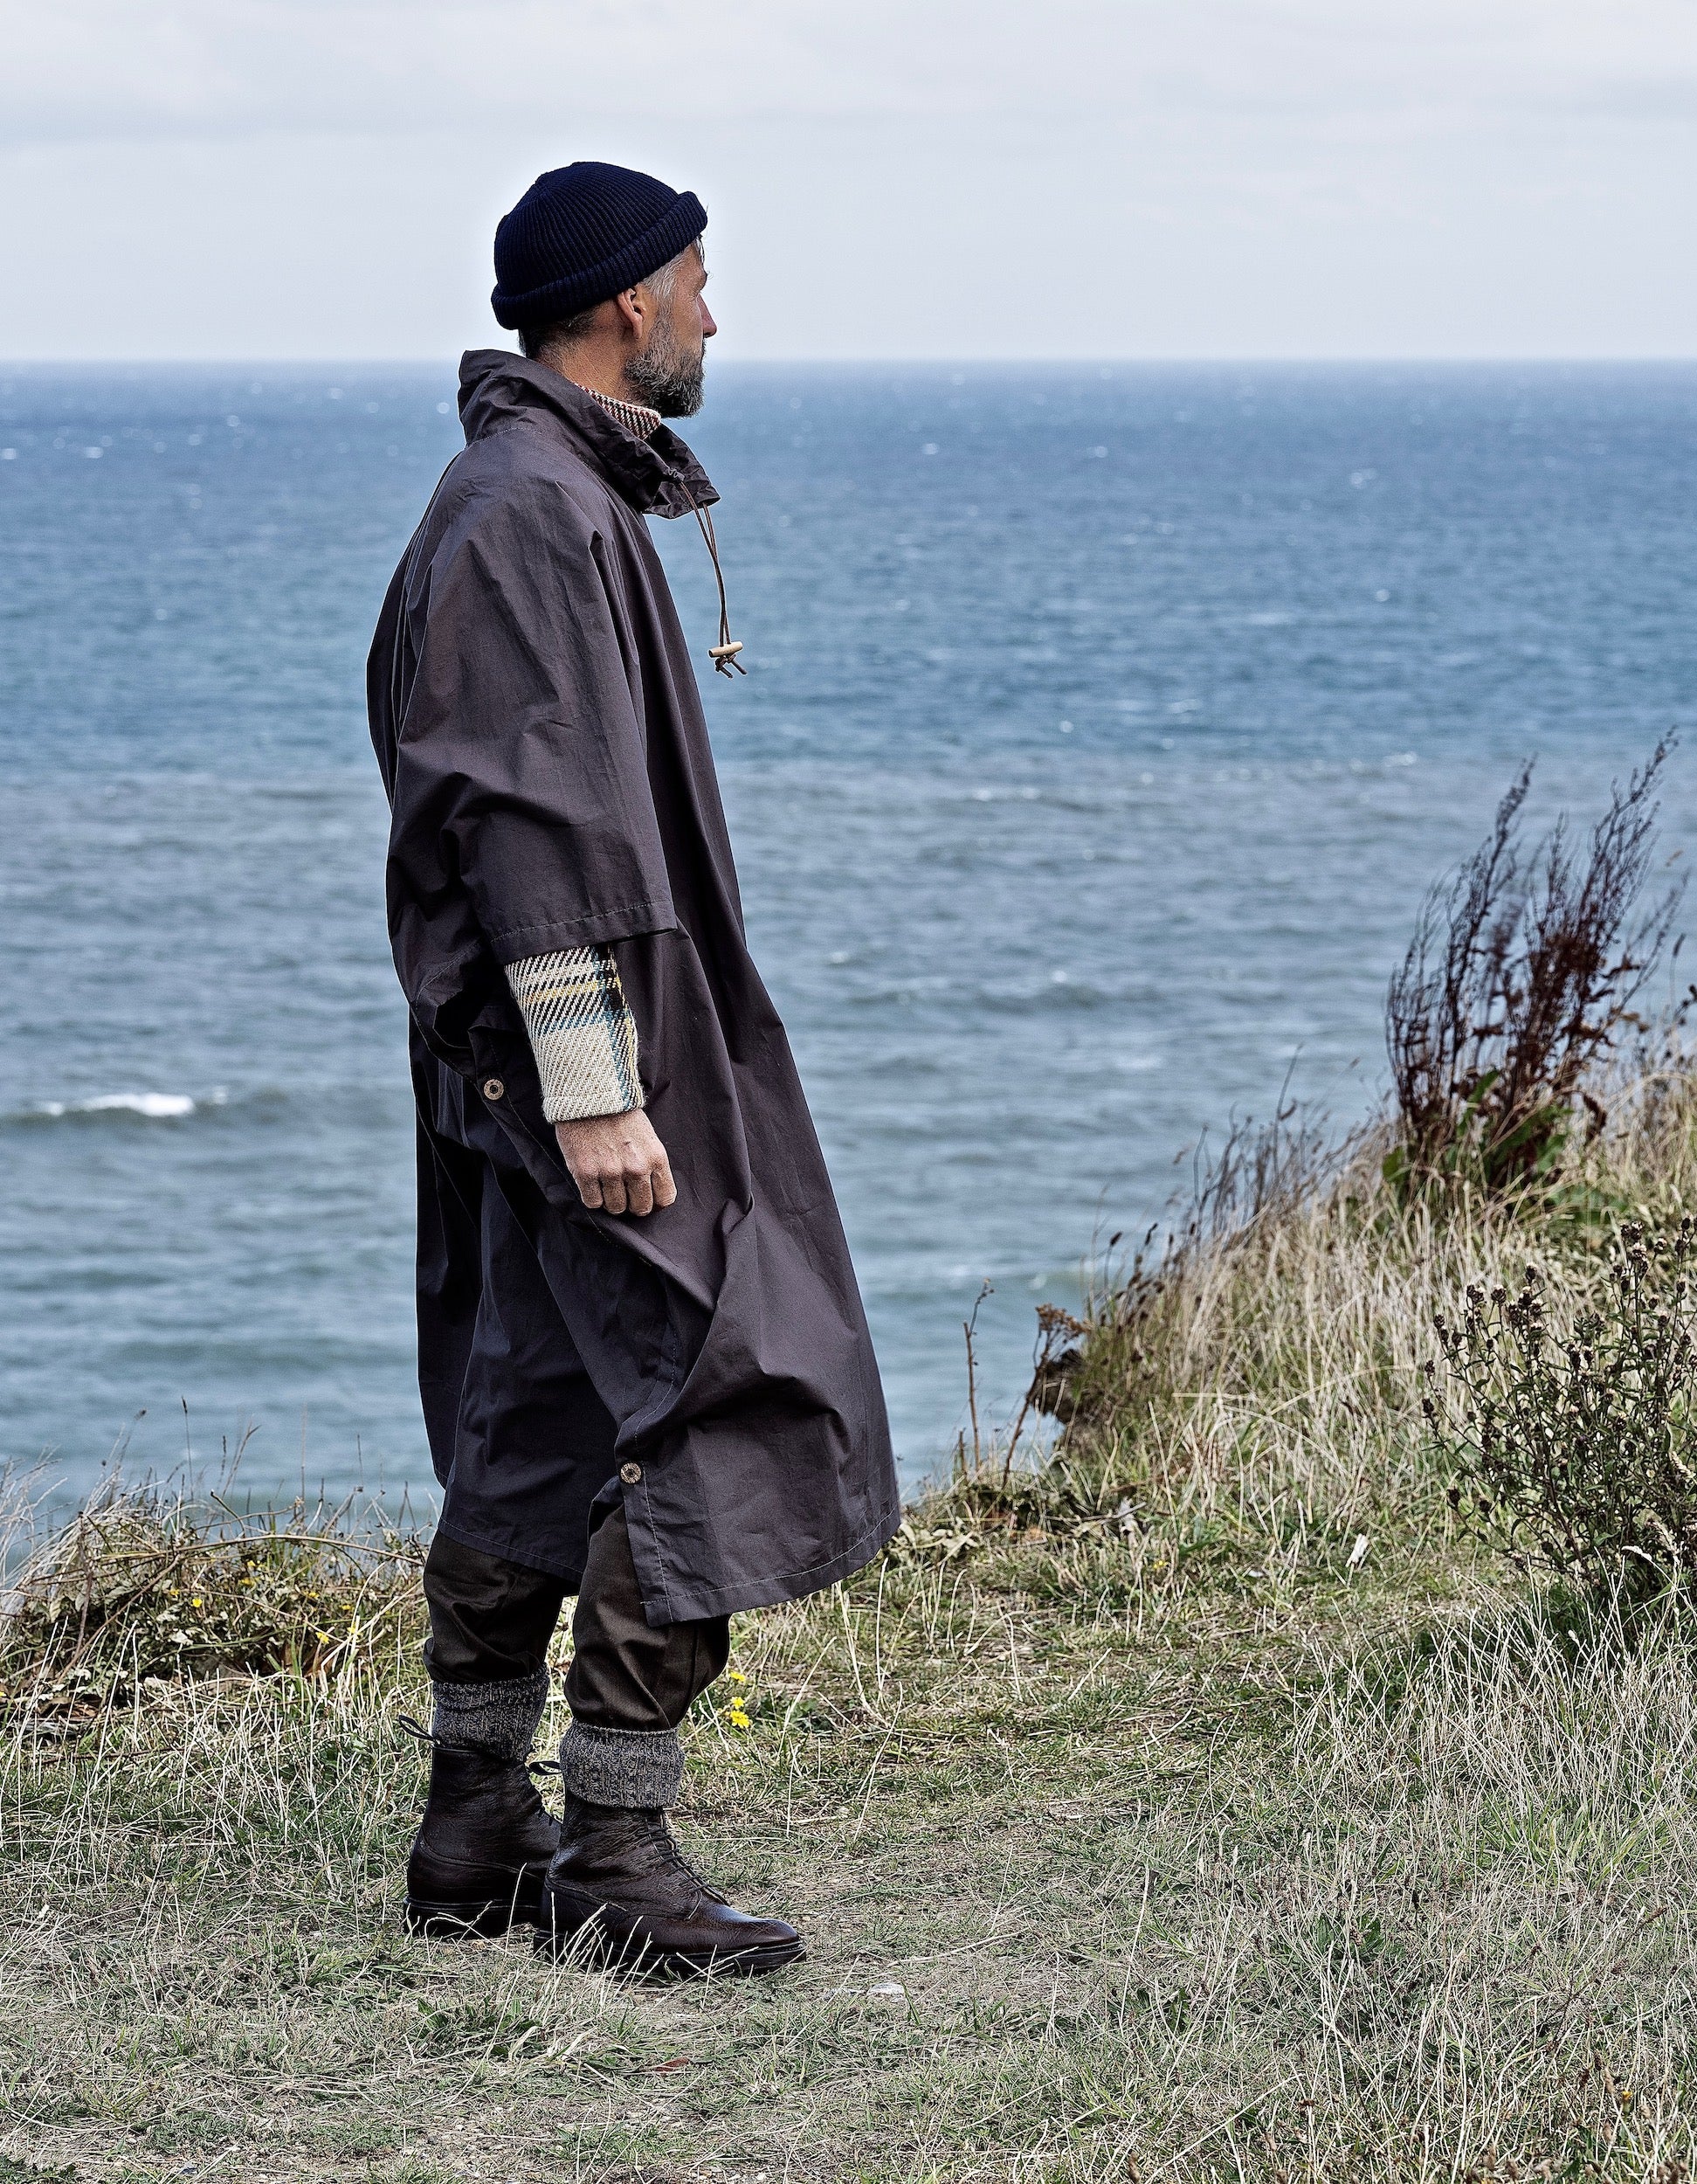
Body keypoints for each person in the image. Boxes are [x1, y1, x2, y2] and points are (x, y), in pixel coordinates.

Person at [365, 161, 899, 1977]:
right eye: (695, 285)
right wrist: (597, 1088)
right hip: (579, 1065)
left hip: (543, 1056)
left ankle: (470, 1826)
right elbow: (521, 814)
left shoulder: (548, 492)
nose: (712, 319)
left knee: (538, 1401)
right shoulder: (527, 512)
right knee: (738, 1386)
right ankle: (612, 1844)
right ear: (622, 309)